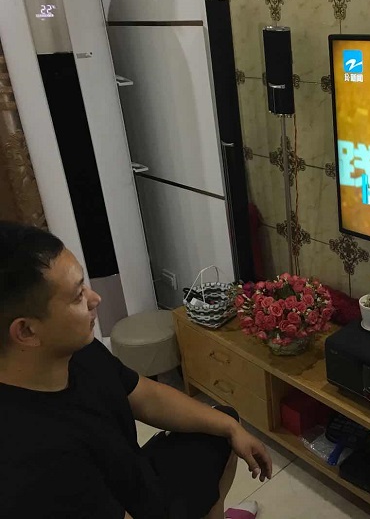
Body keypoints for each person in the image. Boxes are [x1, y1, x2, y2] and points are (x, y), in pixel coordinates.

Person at [0, 221, 272, 519]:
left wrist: (231, 428)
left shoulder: (74, 350)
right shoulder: (30, 457)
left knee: (221, 427)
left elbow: (145, 395)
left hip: (134, 482)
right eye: (78, 296)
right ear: (26, 331)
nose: (95, 299)